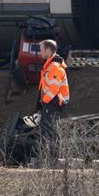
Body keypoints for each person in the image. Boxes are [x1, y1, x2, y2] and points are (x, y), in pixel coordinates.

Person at [37, 39, 68, 167]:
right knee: (48, 131)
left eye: (41, 49)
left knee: (51, 132)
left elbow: (54, 89)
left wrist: (44, 102)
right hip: (50, 103)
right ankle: (49, 159)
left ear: (48, 50)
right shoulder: (50, 66)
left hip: (52, 103)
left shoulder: (54, 67)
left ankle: (53, 160)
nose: (40, 52)